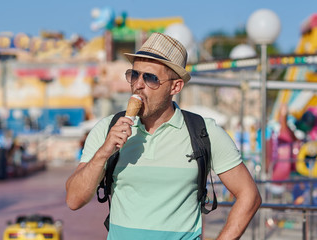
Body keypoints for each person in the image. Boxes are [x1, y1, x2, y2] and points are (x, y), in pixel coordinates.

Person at [66, 32, 261, 240]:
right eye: (134, 75)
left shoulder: (203, 131)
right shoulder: (107, 128)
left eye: (150, 78)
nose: (138, 84)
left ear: (175, 86)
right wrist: (103, 154)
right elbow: (73, 200)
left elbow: (249, 195)